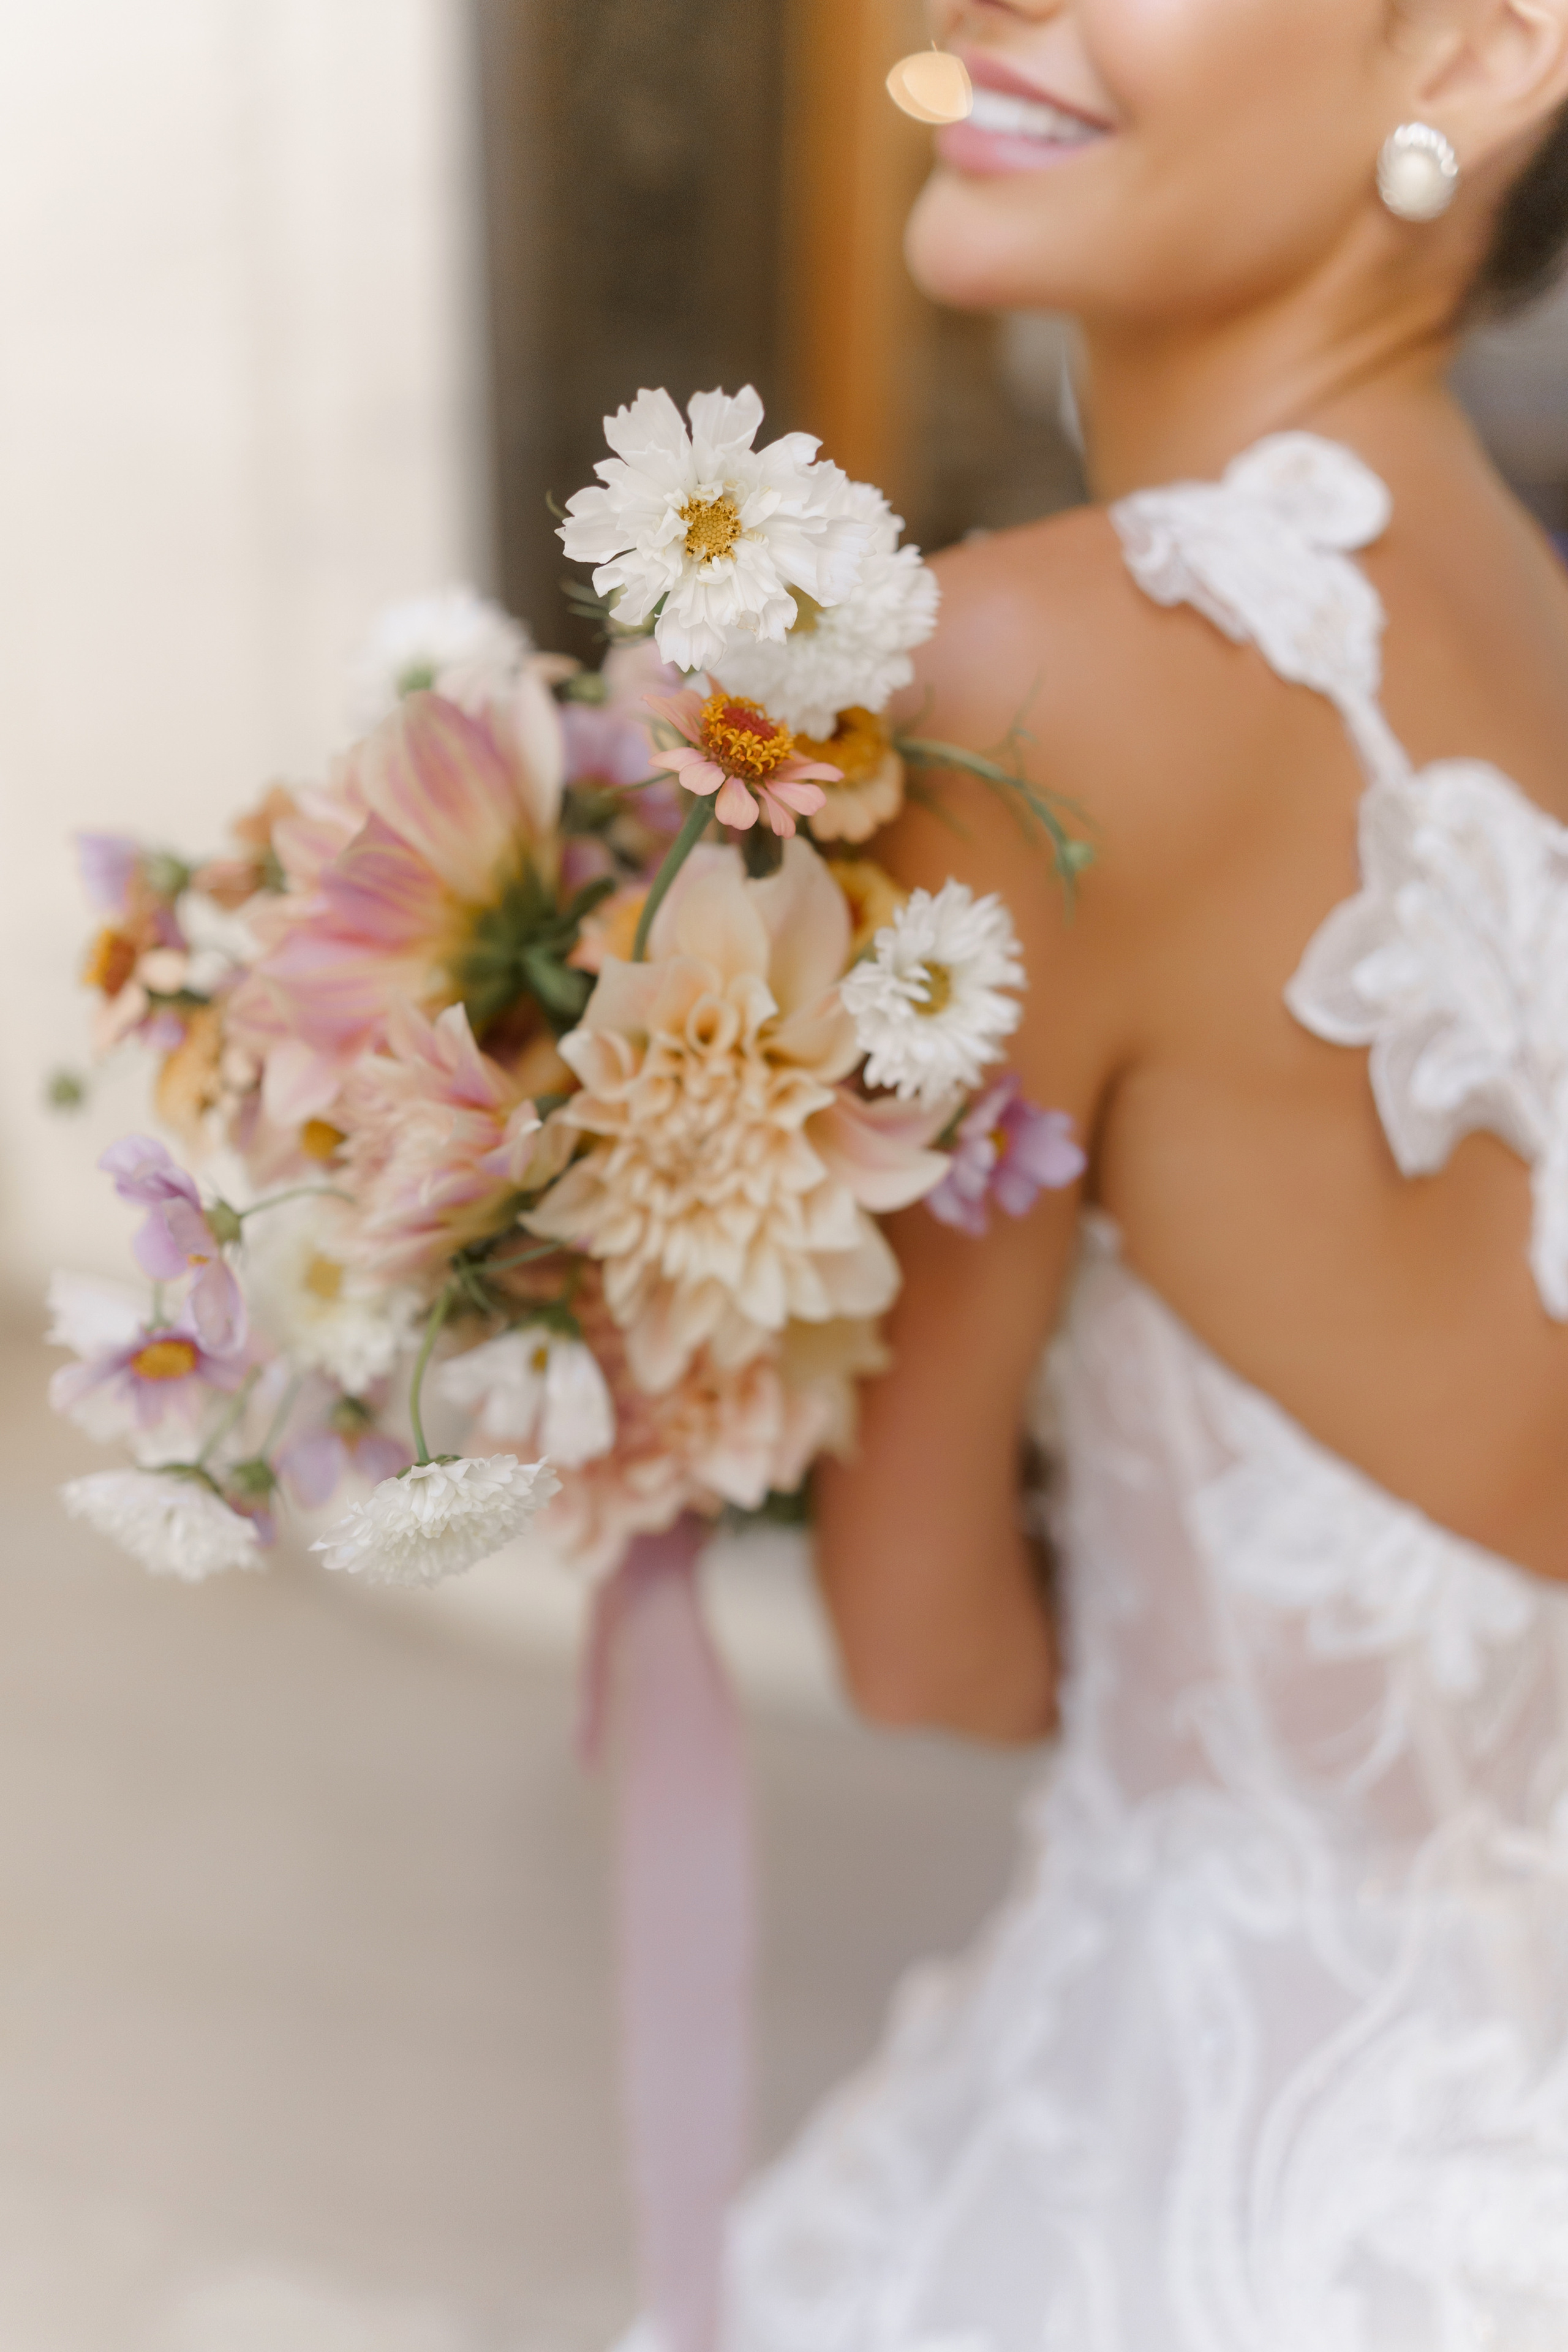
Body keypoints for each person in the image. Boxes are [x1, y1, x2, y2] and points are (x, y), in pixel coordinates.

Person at [726, 0, 1568, 2341]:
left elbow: (930, 1651)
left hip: (1228, 2205)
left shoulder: (1027, 684)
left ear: (1485, 58)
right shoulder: (1528, 615)